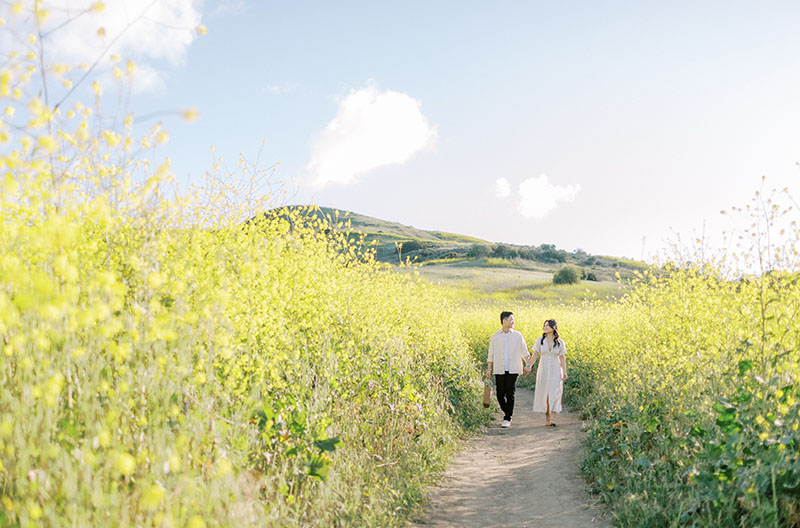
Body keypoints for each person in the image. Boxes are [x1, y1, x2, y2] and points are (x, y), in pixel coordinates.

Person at [485, 311, 531, 428]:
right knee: (500, 394)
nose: (513, 322)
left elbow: (525, 353)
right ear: (504, 321)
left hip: (513, 368)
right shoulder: (495, 337)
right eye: (511, 320)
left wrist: (528, 365)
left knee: (510, 393)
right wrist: (489, 369)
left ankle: (507, 417)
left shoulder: (518, 336)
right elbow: (491, 354)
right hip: (499, 368)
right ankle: (507, 412)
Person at [525, 319, 568, 427]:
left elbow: (562, 358)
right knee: (545, 393)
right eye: (544, 326)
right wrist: (529, 365)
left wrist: (564, 372)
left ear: (554, 328)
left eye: (547, 326)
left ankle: (553, 416)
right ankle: (547, 417)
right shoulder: (540, 340)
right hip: (543, 368)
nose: (545, 328)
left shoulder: (560, 342)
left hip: (556, 368)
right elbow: (535, 355)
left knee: (555, 392)